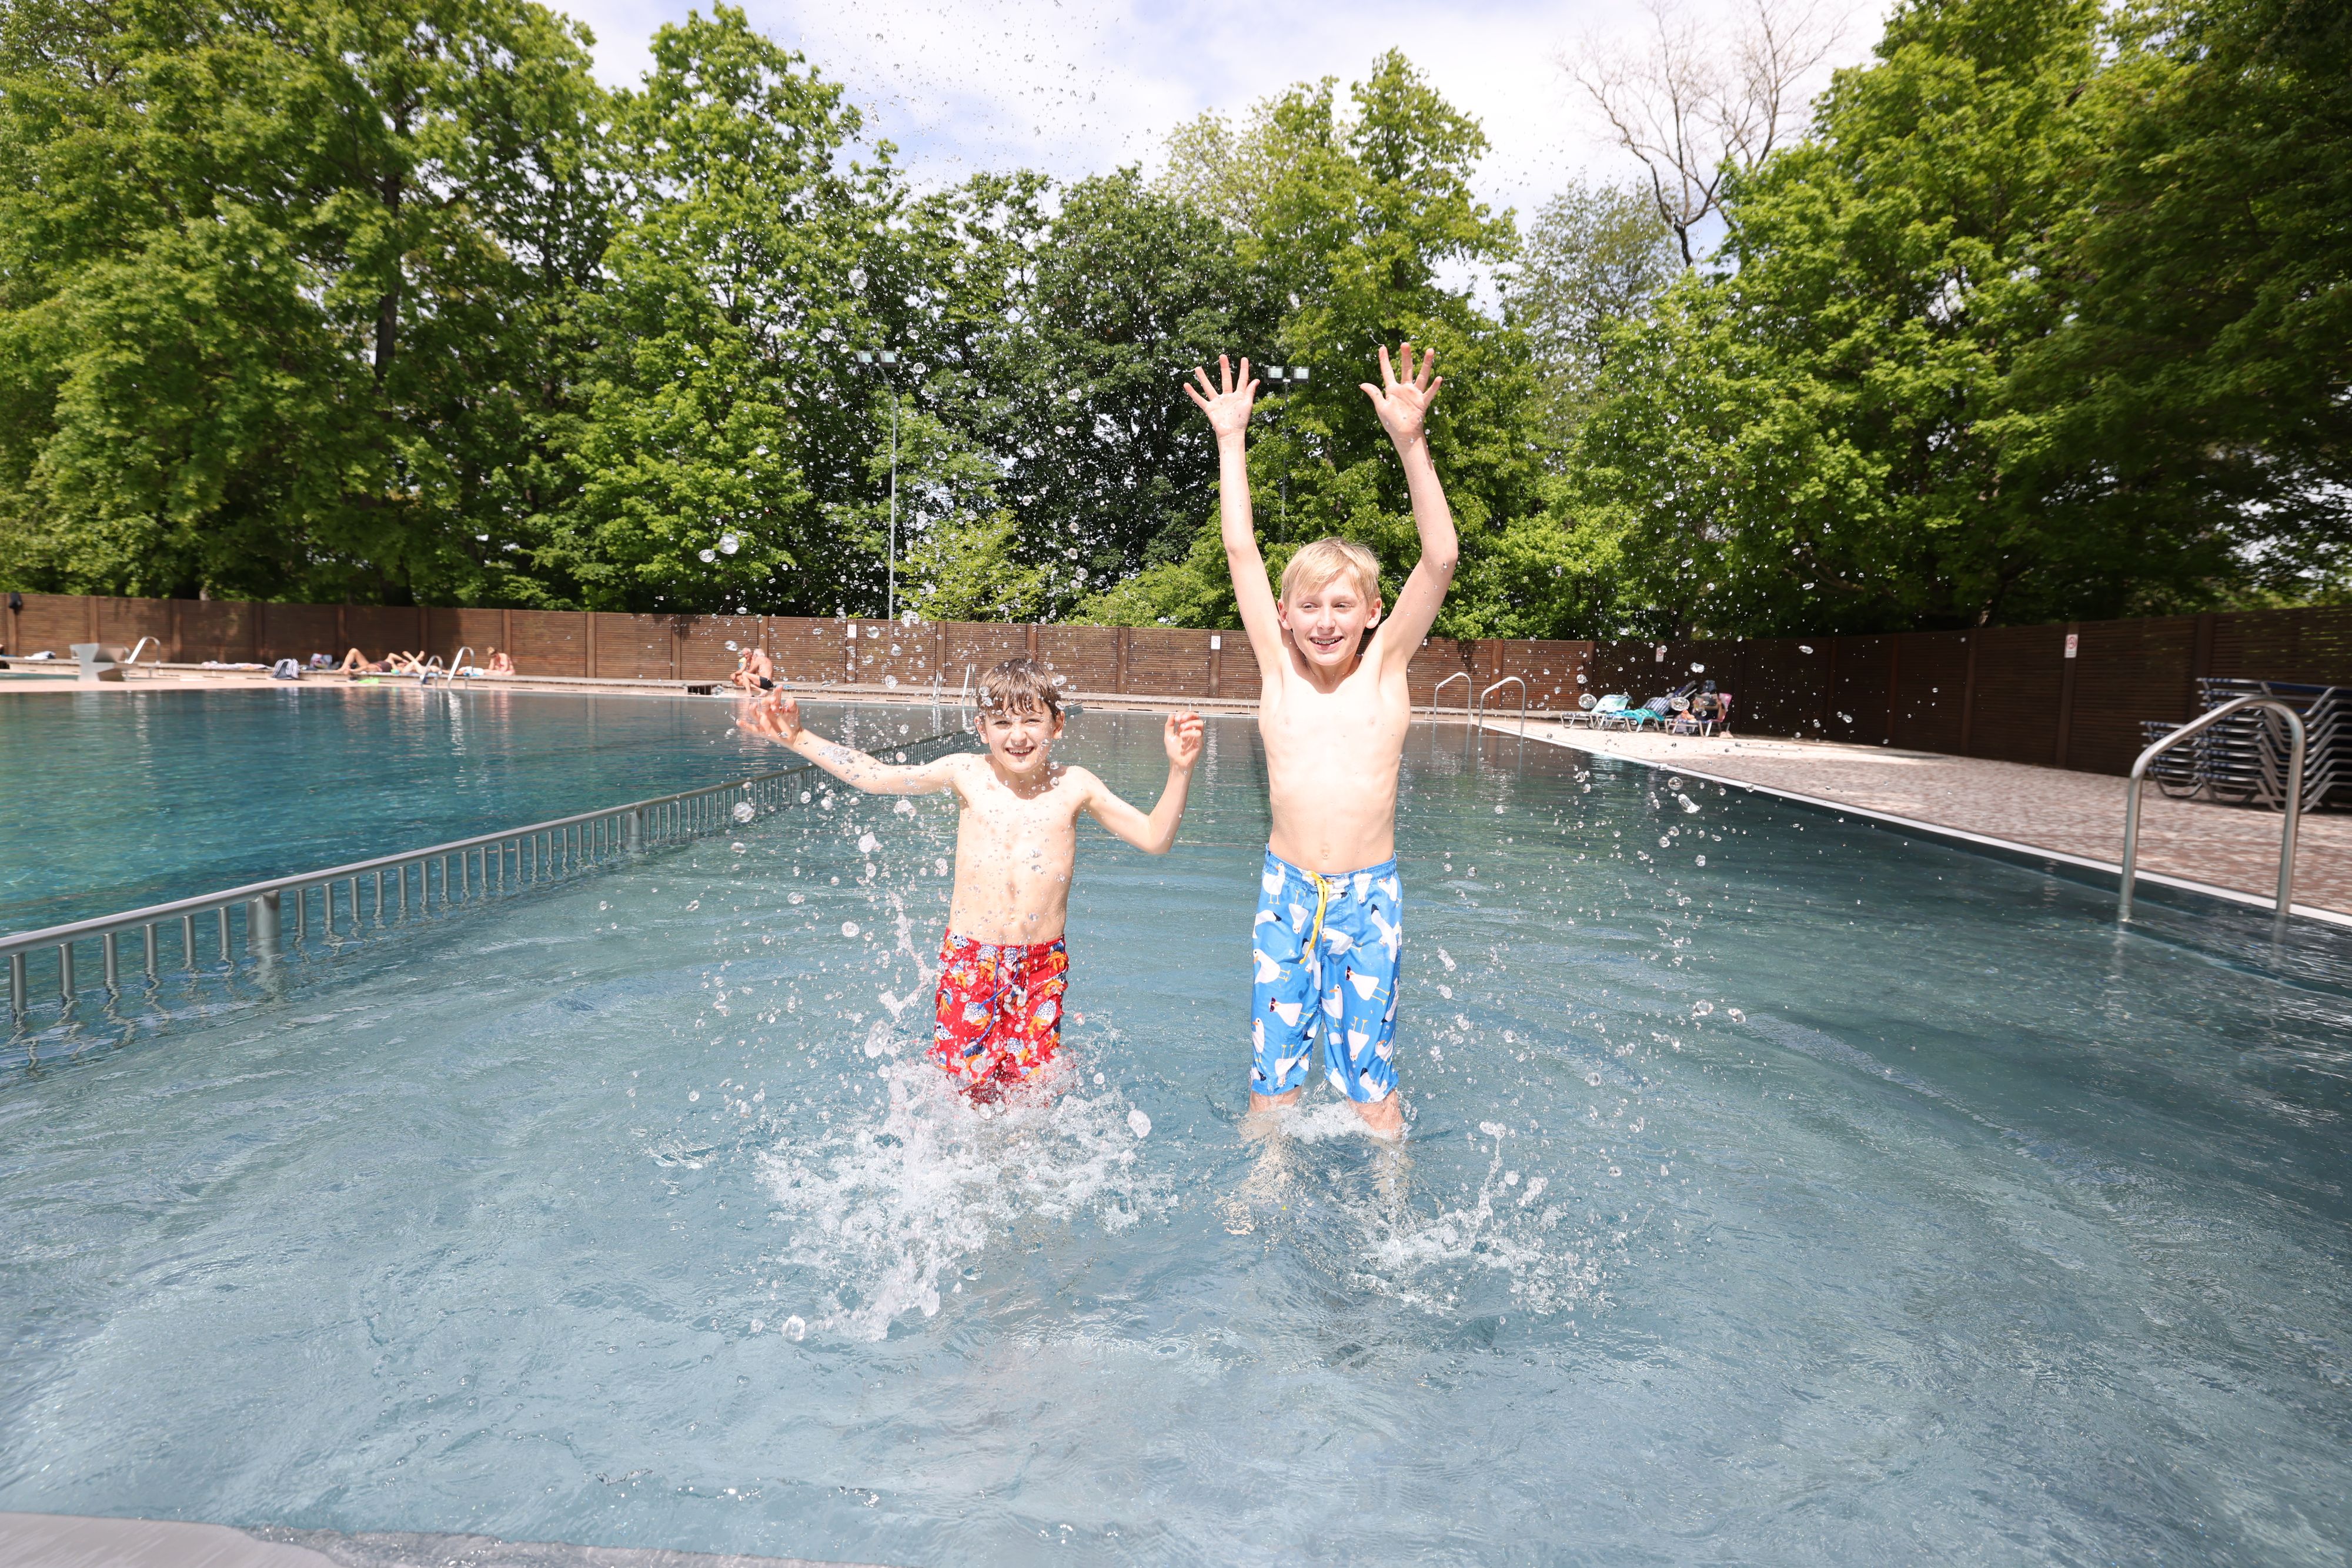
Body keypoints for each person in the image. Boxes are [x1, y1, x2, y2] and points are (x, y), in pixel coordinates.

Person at [1186, 345, 1458, 1140]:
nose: (1326, 619)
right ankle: (1262, 1194)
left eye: (1343, 604)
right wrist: (1230, 440)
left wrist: (1412, 442)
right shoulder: (1278, 671)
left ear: (1372, 611)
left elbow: (1439, 556)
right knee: (1273, 1078)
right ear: (1285, 612)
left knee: (1370, 1082)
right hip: (1287, 894)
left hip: (1370, 900)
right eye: (1310, 605)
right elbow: (1241, 549)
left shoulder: (1387, 670)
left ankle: (1392, 1196)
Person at [739, 658, 1205, 1101]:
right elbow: (878, 776)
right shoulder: (967, 772)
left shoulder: (1075, 786)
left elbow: (1154, 837)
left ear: (1057, 725)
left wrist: (1180, 769)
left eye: (1031, 721)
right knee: (961, 1091)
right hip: (970, 961)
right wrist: (798, 737)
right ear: (982, 728)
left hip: (1041, 968)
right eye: (1001, 723)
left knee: (1033, 1095)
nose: (1017, 736)